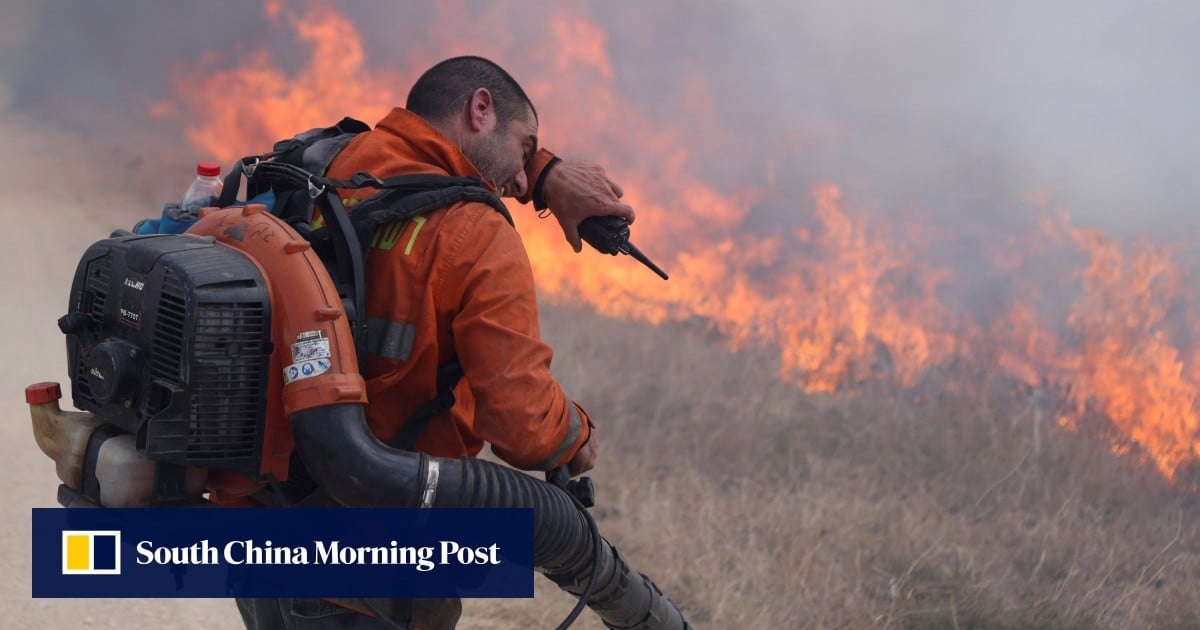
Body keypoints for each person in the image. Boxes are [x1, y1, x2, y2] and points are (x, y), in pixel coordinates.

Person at [236, 56, 635, 630]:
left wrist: (545, 170)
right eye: (526, 149)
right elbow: (522, 426)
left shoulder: (325, 164)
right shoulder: (475, 233)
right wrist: (575, 432)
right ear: (480, 109)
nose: (521, 183)